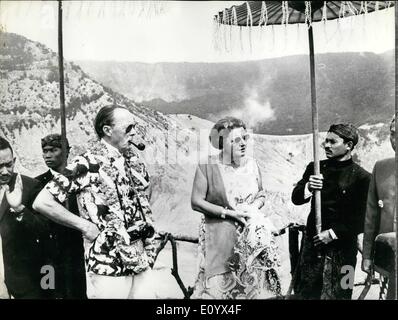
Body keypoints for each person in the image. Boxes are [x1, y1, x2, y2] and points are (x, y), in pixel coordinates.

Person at [33, 105, 156, 299]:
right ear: (107, 130)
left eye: (134, 127)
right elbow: (43, 202)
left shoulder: (133, 161)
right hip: (107, 265)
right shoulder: (87, 164)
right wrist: (84, 225)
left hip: (140, 260)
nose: (133, 133)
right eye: (128, 128)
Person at [191, 117, 281, 299]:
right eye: (235, 140)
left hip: (249, 239)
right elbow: (196, 201)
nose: (243, 144)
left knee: (251, 289)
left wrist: (252, 208)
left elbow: (261, 194)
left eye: (244, 138)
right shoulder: (207, 166)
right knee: (220, 291)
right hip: (219, 236)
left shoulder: (253, 165)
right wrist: (230, 213)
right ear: (222, 143)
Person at [291, 123, 371, 300]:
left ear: (348, 145)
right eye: (325, 141)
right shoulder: (315, 168)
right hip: (313, 248)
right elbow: (296, 198)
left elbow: (363, 218)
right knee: (307, 294)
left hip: (345, 251)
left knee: (344, 293)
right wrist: (308, 187)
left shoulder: (363, 177)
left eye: (333, 142)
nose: (326, 145)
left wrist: (333, 233)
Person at [35, 134, 87, 299]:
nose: (48, 155)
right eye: (45, 151)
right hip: (47, 259)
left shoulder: (79, 183)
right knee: (48, 294)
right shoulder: (36, 184)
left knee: (76, 294)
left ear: (66, 151)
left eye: (54, 150)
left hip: (74, 256)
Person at [0, 137, 52, 299]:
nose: (4, 171)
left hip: (24, 287)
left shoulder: (30, 187)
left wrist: (19, 210)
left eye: (8, 164)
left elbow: (46, 232)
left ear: (14, 160)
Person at [362, 115, 396, 300]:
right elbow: (371, 216)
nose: (395, 140)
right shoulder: (381, 168)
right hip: (389, 260)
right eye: (393, 134)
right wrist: (367, 255)